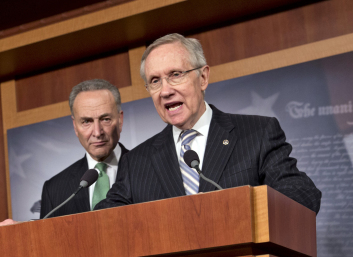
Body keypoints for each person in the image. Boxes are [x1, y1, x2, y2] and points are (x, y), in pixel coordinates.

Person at [95, 33, 321, 213]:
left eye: (175, 74)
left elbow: (301, 195)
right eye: (155, 81)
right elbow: (103, 220)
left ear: (202, 78)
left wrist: (237, 211)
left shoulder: (258, 133)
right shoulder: (136, 162)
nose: (165, 91)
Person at [40, 79, 130, 218]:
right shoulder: (54, 190)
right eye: (86, 122)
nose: (97, 132)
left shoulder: (146, 168)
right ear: (75, 126)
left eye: (105, 119)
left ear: (120, 120)